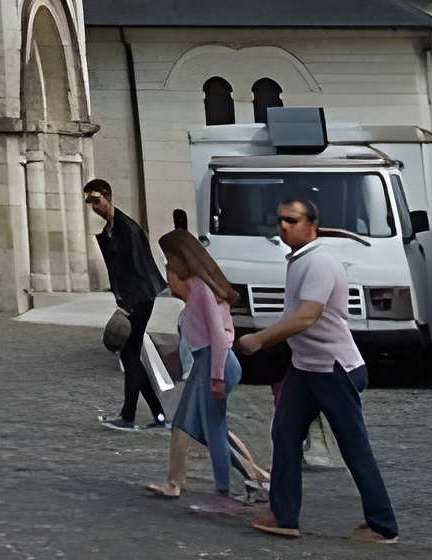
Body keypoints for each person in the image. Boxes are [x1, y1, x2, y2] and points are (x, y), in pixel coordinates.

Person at [239, 195, 398, 543]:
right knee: (284, 434)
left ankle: (383, 525)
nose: (283, 226)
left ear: (312, 225)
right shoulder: (300, 260)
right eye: (280, 219)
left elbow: (306, 316)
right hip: (306, 368)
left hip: (333, 369)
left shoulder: (319, 262)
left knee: (354, 447)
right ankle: (284, 515)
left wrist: (260, 340)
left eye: (292, 220)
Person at [149, 227, 253, 512]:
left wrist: (217, 375)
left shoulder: (202, 289)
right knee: (205, 426)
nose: (167, 265)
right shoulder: (199, 286)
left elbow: (218, 336)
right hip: (212, 361)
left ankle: (223, 489)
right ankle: (234, 482)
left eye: (169, 259)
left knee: (207, 428)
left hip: (213, 362)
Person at [84, 178, 167, 429]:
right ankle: (158, 414)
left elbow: (138, 269)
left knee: (130, 356)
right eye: (90, 202)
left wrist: (128, 305)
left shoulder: (126, 228)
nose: (94, 207)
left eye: (96, 200)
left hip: (139, 299)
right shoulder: (112, 227)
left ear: (108, 197)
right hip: (134, 299)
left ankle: (129, 416)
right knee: (131, 356)